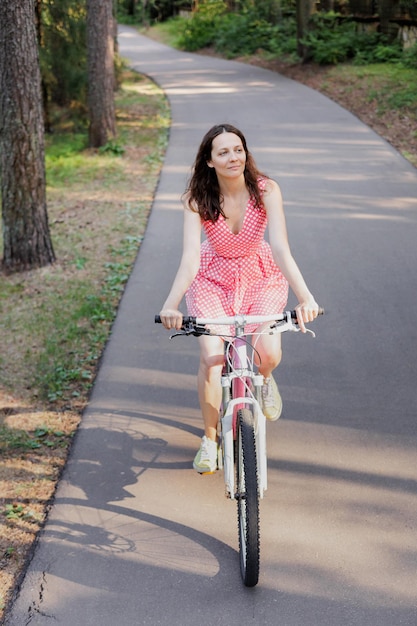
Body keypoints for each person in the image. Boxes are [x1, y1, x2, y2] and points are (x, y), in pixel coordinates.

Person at [159, 123, 319, 474]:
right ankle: (209, 438)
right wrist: (171, 304)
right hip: (211, 279)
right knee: (212, 357)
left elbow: (280, 248)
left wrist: (305, 296)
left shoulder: (266, 190)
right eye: (223, 152)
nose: (233, 157)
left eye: (238, 149)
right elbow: (190, 259)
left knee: (269, 353)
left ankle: (263, 378)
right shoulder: (196, 199)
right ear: (209, 161)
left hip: (260, 276)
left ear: (245, 153)